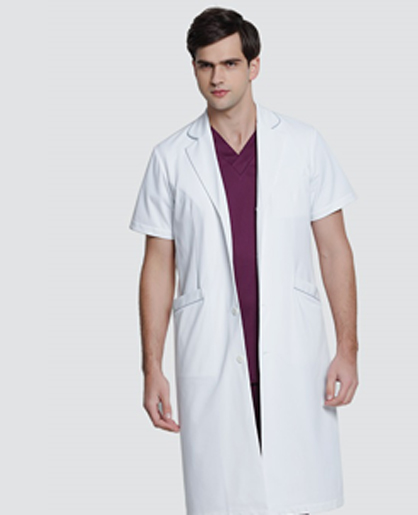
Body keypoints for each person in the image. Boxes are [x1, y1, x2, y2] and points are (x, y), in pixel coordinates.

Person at [129, 6, 359, 515]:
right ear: (194, 68)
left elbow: (334, 249)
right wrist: (152, 367)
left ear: (254, 66)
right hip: (211, 354)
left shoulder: (303, 145)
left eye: (230, 63)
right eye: (205, 65)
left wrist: (348, 348)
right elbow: (158, 266)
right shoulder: (170, 158)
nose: (217, 78)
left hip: (293, 355)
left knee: (296, 496)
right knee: (225, 500)